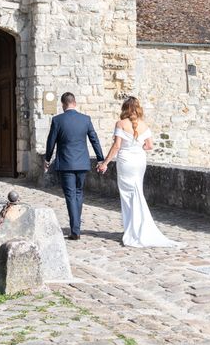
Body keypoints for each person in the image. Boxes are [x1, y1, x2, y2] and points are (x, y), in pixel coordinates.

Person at [97, 97, 181, 248]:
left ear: (125, 109)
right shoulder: (144, 125)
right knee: (137, 192)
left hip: (126, 162)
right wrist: (138, 147)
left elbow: (116, 146)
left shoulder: (121, 124)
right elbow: (149, 145)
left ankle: (132, 229)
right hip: (139, 162)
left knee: (128, 195)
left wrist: (105, 163)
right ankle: (139, 227)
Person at [45, 92, 104, 240]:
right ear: (75, 103)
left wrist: (47, 159)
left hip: (66, 163)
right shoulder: (85, 119)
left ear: (63, 104)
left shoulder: (57, 120)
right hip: (82, 163)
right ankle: (76, 227)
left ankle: (75, 230)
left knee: (71, 195)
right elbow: (94, 140)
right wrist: (100, 159)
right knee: (78, 193)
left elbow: (51, 142)